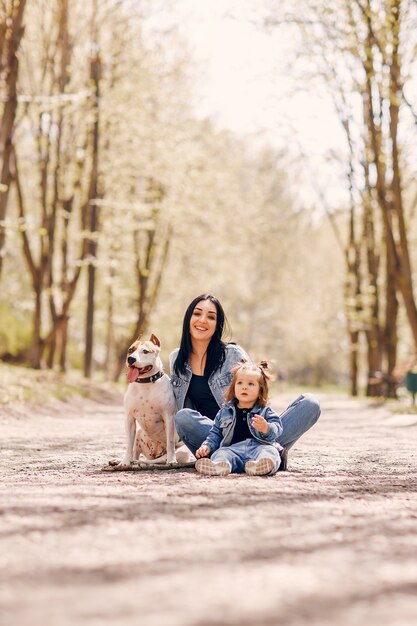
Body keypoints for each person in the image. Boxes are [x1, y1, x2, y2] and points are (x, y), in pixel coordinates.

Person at [170, 294, 321, 470]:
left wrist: (264, 428)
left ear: (217, 325)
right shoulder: (176, 359)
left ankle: (254, 456)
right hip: (218, 438)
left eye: (211, 317)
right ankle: (261, 456)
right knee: (183, 418)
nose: (203, 320)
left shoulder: (232, 354)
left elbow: (258, 390)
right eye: (197, 314)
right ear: (188, 318)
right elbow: (171, 405)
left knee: (310, 404)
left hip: (255, 432)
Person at [194, 362, 282, 476]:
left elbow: (277, 429)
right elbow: (215, 434)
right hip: (233, 449)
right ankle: (219, 465)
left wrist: (266, 428)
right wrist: (207, 446)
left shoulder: (265, 411)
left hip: (258, 447)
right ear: (233, 387)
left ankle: (260, 465)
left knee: (271, 452)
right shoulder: (224, 412)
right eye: (239, 383)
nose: (244, 387)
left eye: (251, 384)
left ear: (260, 390)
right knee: (221, 452)